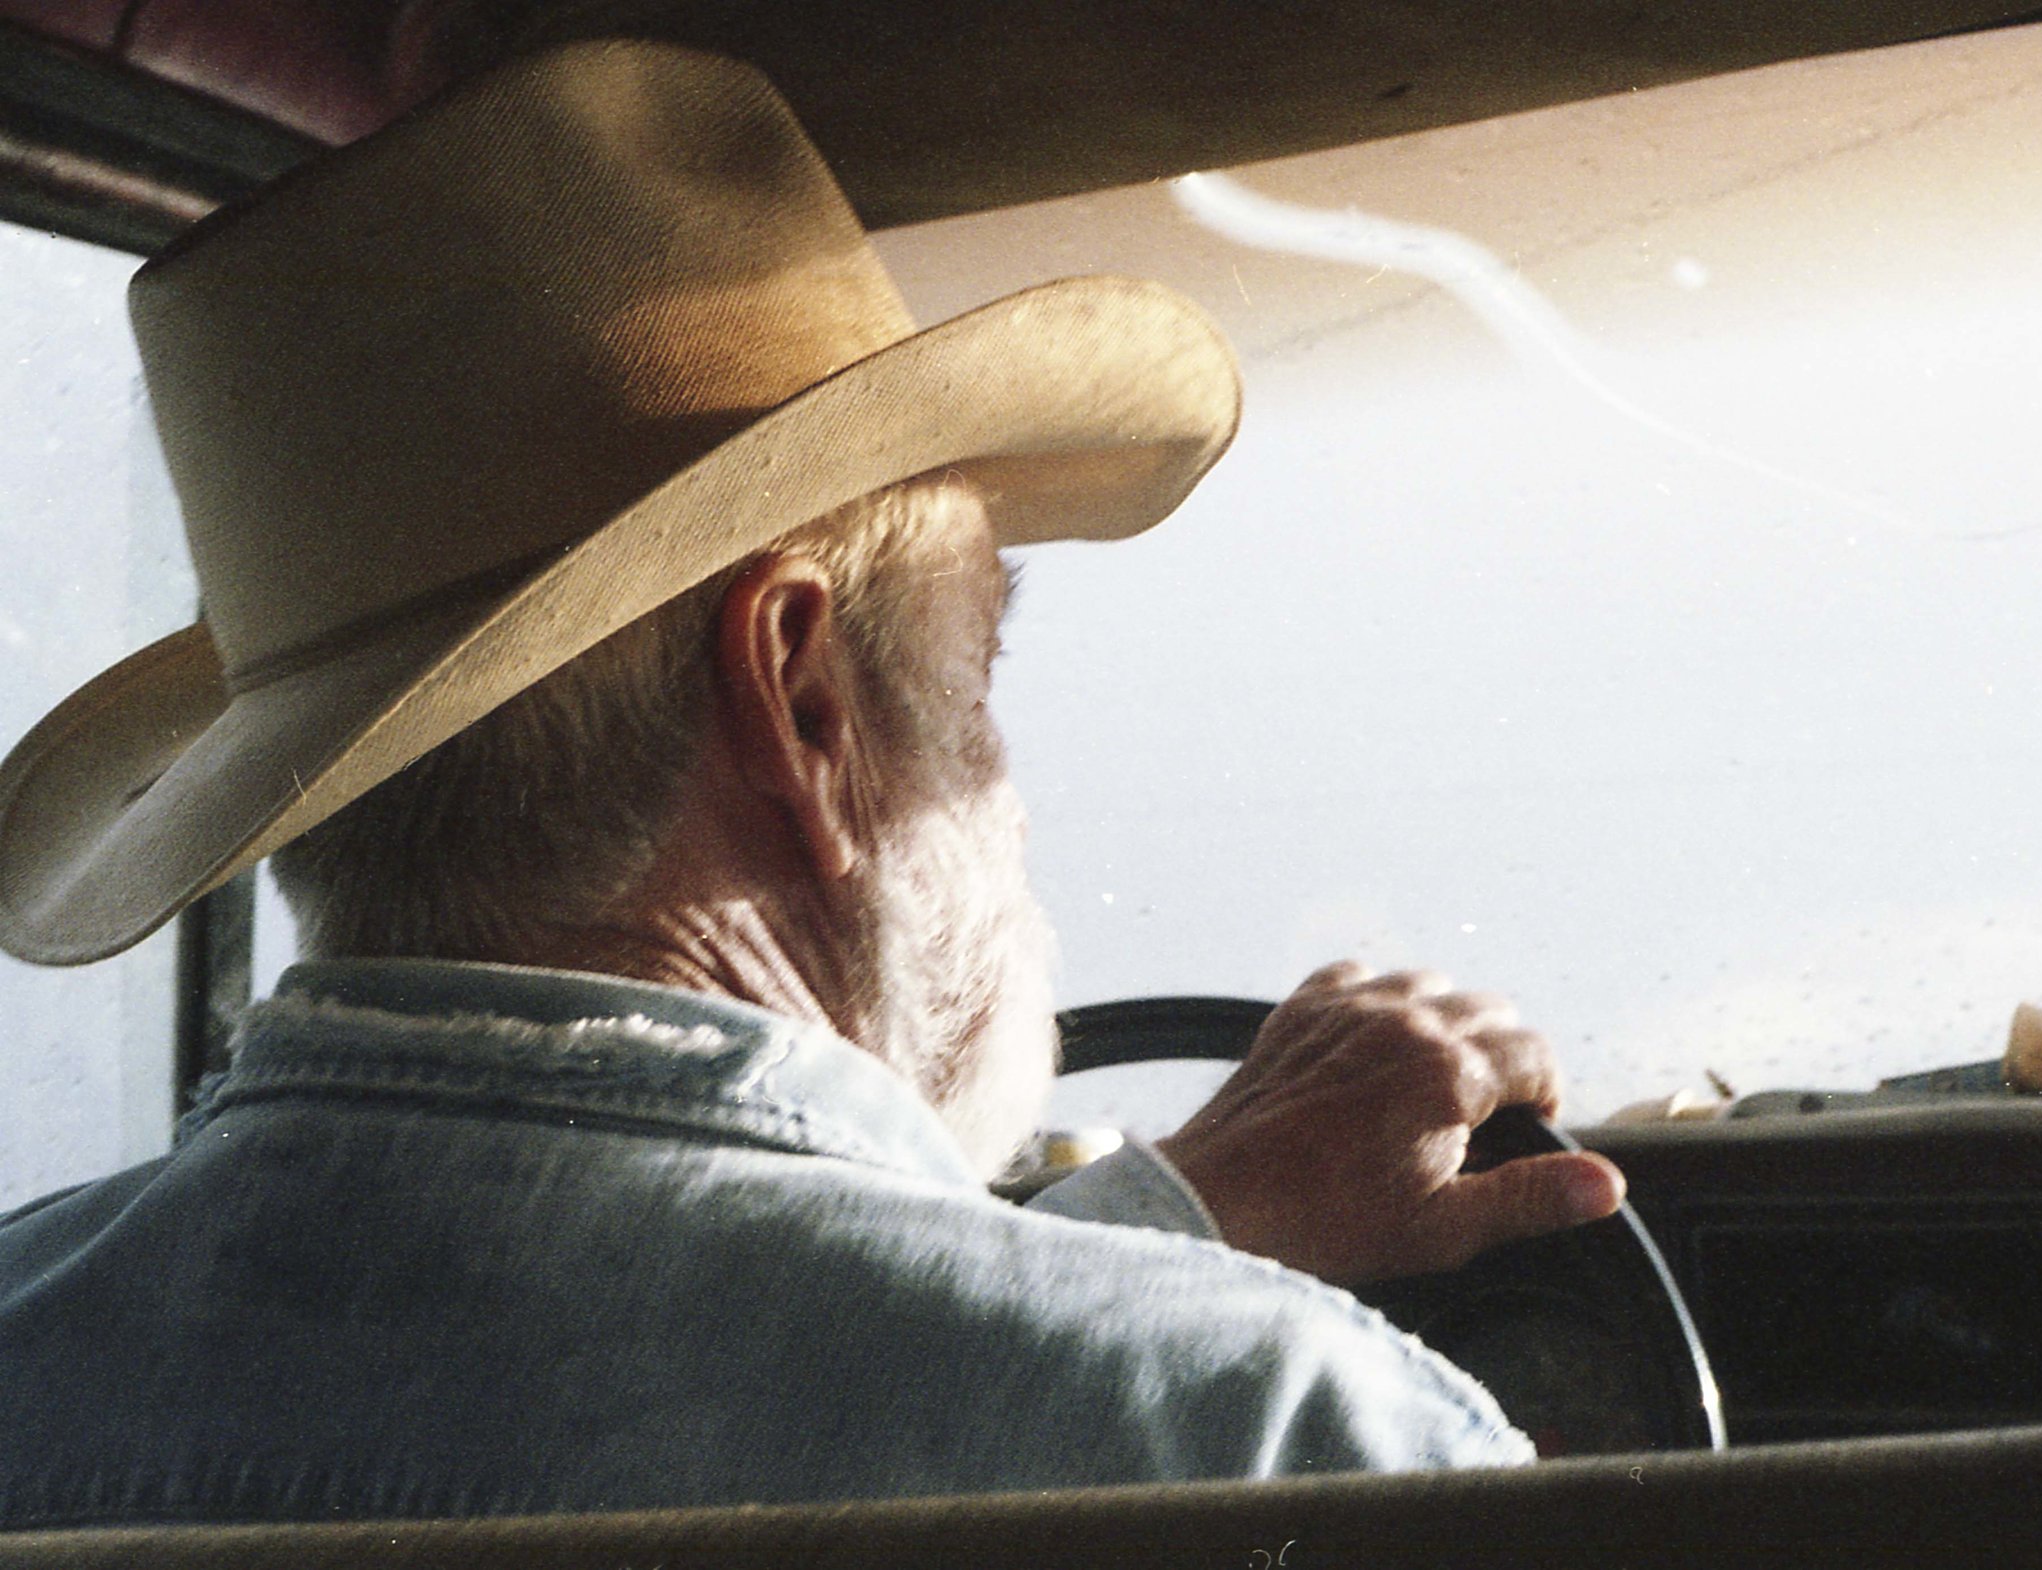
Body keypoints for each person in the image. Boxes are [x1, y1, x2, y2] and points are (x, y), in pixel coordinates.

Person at [0, 39, 1625, 1527]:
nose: (1012, 797)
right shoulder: (1268, 1434)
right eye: (976, 681)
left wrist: (1166, 1227)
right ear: (803, 704)